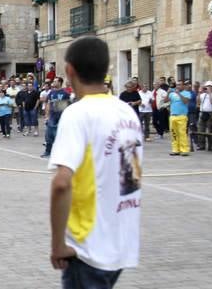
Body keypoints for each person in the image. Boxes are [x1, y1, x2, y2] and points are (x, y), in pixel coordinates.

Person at [49, 36, 142, 288]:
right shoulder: (127, 112)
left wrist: (58, 244)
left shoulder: (78, 113)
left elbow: (61, 183)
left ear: (69, 70)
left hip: (88, 245)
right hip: (121, 239)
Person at [42, 78, 70, 158]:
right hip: (52, 117)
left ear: (60, 83)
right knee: (48, 135)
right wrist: (47, 115)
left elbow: (67, 106)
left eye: (55, 81)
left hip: (61, 117)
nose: (53, 82)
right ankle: (48, 152)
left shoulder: (65, 93)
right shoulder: (52, 92)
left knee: (60, 136)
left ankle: (61, 153)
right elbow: (48, 104)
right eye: (53, 81)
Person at [167, 81, 192, 156]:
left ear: (183, 86)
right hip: (173, 115)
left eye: (180, 85)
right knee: (174, 133)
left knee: (182, 133)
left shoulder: (187, 93)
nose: (178, 86)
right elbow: (165, 100)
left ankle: (184, 150)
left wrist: (179, 93)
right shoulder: (172, 93)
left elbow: (185, 101)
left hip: (182, 116)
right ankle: (175, 149)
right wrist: (168, 93)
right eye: (177, 85)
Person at [198, 81, 212, 150]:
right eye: (207, 87)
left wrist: (210, 93)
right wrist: (199, 92)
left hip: (210, 114)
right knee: (201, 130)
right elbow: (198, 102)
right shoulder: (203, 95)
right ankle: (202, 145)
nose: (207, 88)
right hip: (203, 113)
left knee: (210, 131)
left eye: (209, 87)